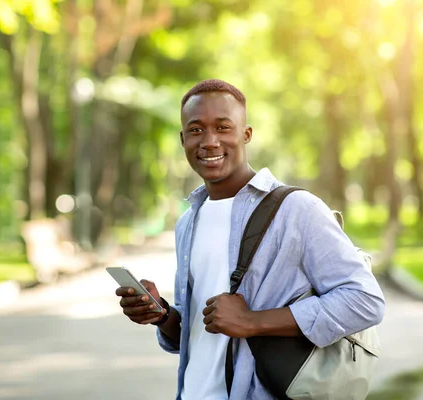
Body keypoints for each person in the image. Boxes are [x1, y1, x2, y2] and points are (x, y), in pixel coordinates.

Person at [116, 79, 385, 400]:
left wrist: (254, 321)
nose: (210, 141)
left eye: (223, 127)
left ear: (246, 134)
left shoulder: (297, 209)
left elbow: (365, 300)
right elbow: (203, 333)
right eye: (196, 130)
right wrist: (162, 316)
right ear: (183, 138)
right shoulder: (188, 221)